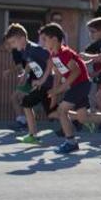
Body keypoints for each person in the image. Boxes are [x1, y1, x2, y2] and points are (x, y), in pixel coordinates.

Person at [35, 23, 92, 154]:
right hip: (78, 85)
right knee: (82, 117)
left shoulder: (64, 53)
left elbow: (76, 71)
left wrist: (61, 89)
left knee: (62, 111)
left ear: (54, 39)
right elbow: (58, 75)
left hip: (80, 84)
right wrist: (54, 93)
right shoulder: (54, 55)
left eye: (44, 39)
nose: (42, 42)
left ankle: (71, 142)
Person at [5, 24, 54, 144]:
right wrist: (25, 74)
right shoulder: (25, 50)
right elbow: (29, 63)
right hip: (42, 84)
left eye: (13, 42)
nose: (12, 45)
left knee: (55, 113)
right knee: (31, 105)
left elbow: (50, 60)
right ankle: (32, 135)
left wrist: (43, 79)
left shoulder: (35, 48)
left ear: (22, 39)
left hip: (47, 84)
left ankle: (82, 118)